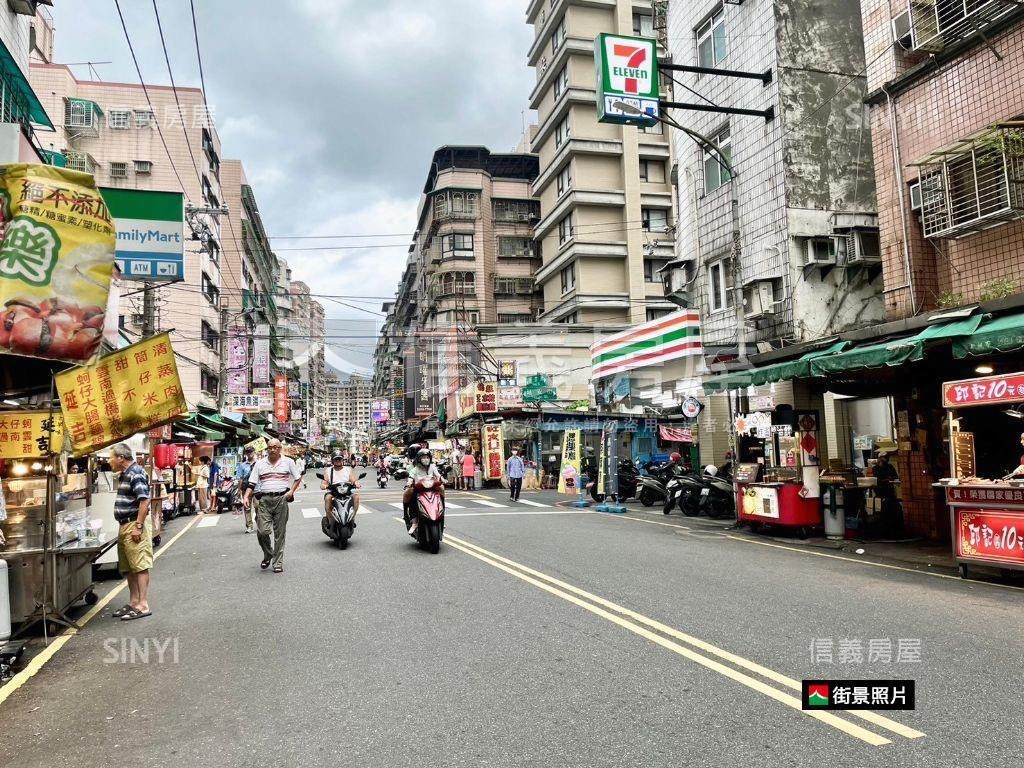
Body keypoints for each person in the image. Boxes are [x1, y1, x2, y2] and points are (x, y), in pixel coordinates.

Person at [243, 439, 302, 573]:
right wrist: (246, 496)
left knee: (279, 534)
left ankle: (277, 562)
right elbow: (252, 483)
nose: (273, 449)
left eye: (276, 447)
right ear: (267, 449)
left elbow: (297, 478)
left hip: (281, 499)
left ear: (280, 448)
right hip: (264, 500)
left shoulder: (288, 462)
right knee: (262, 532)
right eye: (270, 447)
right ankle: (268, 553)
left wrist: (291, 491)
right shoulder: (260, 463)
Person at [110, 443, 153, 621]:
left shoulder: (135, 473)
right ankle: (134, 602)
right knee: (129, 567)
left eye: (112, 457)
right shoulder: (125, 474)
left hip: (134, 524)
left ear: (121, 458)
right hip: (125, 524)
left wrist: (138, 526)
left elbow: (144, 501)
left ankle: (143, 604)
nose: (110, 461)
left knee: (140, 565)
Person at [404, 447, 443, 536]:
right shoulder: (415, 469)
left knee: (442, 489)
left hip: (432, 488)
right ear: (419, 459)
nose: (426, 460)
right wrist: (409, 483)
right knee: (413, 499)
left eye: (427, 457)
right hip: (419, 489)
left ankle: (441, 515)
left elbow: (438, 475)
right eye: (423, 458)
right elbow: (411, 477)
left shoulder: (432, 467)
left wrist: (443, 479)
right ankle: (414, 521)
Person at [322, 452, 361, 520]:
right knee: (328, 498)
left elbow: (353, 480)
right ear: (332, 461)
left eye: (339, 459)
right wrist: (323, 485)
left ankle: (352, 517)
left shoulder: (348, 469)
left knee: (356, 497)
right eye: (336, 459)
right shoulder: (329, 470)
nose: (338, 461)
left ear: (342, 460)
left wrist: (356, 483)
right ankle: (329, 518)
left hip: (346, 492)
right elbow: (324, 482)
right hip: (333, 493)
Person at [236, 446, 257, 533]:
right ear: (246, 454)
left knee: (258, 507)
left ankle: (259, 521)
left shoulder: (259, 463)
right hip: (246, 489)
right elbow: (240, 478)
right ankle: (249, 526)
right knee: (247, 508)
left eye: (251, 452)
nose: (249, 453)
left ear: (254, 452)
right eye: (248, 452)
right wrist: (239, 490)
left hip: (257, 488)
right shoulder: (242, 465)